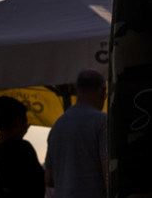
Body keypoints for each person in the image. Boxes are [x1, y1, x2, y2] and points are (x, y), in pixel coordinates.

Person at [45, 69, 107, 198]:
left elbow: (49, 179)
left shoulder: (57, 126)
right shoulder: (102, 121)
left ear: (76, 90)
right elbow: (108, 172)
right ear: (103, 92)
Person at [0, 96, 44, 198]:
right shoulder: (23, 149)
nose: (26, 126)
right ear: (18, 121)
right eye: (25, 121)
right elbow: (38, 187)